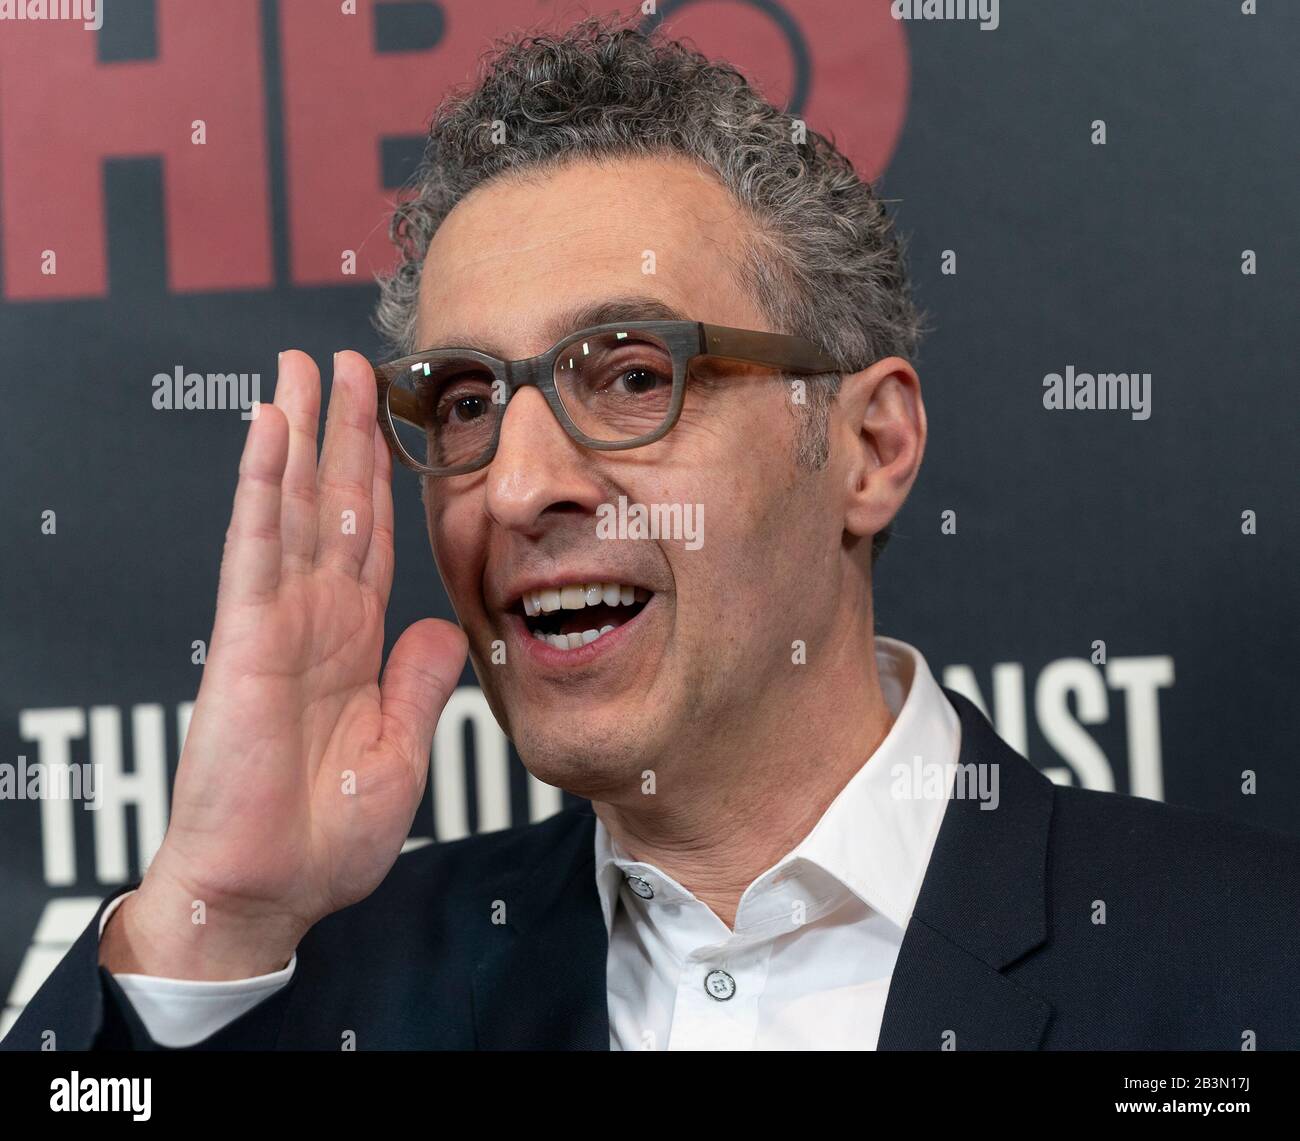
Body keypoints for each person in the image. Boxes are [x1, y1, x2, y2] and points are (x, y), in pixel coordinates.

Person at [5, 15, 1298, 1052]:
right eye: (466, 402)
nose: (517, 487)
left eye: (627, 376)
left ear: (870, 448)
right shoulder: (321, 987)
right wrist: (210, 916)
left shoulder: (1245, 960)